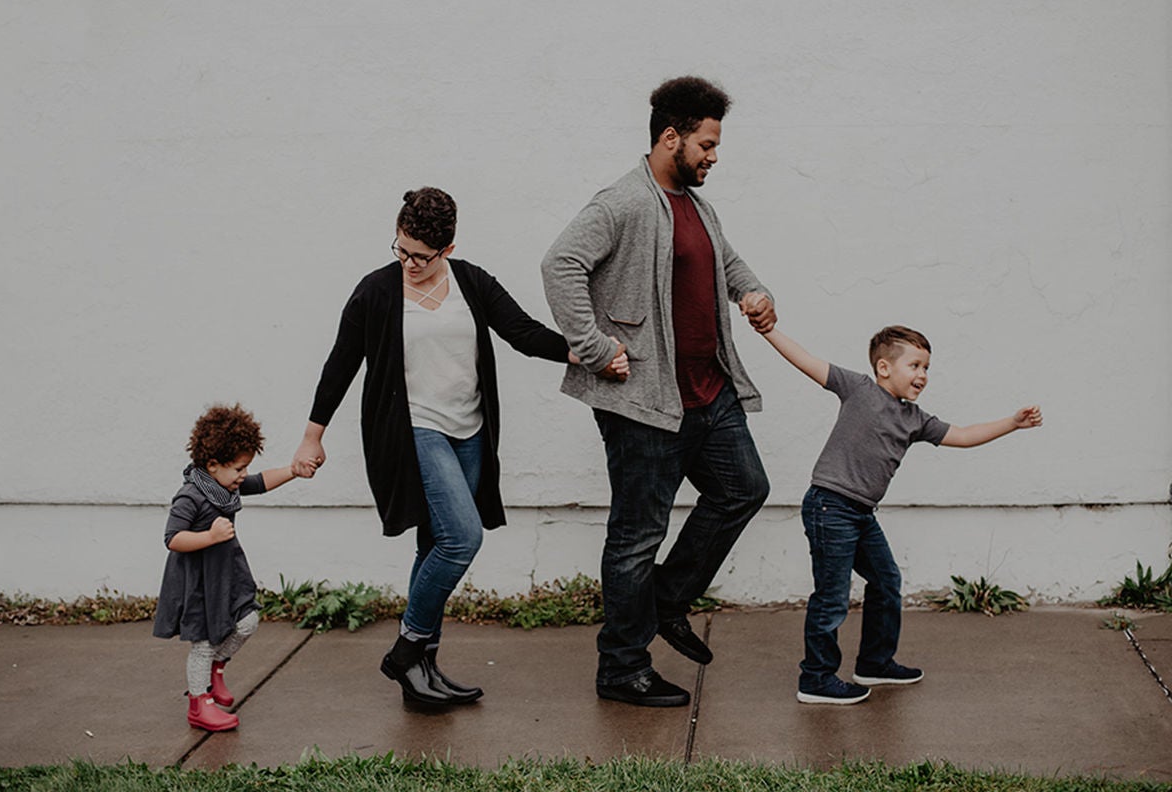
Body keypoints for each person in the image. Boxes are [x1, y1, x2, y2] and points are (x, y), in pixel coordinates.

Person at [295, 187, 620, 707]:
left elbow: (523, 333)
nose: (408, 263)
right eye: (400, 250)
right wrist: (314, 434)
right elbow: (340, 364)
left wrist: (590, 354)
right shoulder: (377, 291)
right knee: (461, 539)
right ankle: (406, 650)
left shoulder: (470, 282)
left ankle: (422, 674)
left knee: (434, 545)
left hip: (470, 432)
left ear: (446, 249)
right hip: (413, 430)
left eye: (420, 256)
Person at [540, 75, 776, 707]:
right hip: (646, 402)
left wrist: (753, 292)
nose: (714, 156)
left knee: (744, 489)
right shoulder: (622, 202)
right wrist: (593, 347)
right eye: (707, 143)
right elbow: (559, 264)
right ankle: (621, 667)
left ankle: (667, 602)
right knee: (636, 534)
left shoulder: (697, 205)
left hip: (709, 392)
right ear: (671, 137)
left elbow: (726, 262)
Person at [760, 323, 1042, 704]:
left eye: (927, 368)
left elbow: (962, 434)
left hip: (861, 513)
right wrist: (768, 331)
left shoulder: (915, 419)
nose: (923, 375)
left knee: (886, 580)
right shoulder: (857, 388)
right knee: (832, 596)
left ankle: (874, 662)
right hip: (830, 506)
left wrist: (1012, 423)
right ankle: (816, 678)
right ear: (883, 367)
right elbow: (805, 360)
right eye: (915, 366)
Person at [153, 403, 307, 731]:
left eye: (245, 468)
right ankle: (199, 703)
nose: (243, 475)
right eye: (238, 468)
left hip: (226, 573)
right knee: (205, 642)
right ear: (212, 464)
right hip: (198, 580)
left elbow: (261, 482)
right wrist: (209, 535)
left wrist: (293, 470)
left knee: (248, 620)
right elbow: (172, 538)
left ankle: (216, 668)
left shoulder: (225, 486)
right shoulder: (191, 496)